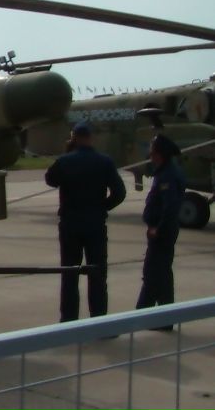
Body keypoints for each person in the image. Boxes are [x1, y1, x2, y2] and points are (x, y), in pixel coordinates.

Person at [45, 122, 126, 322]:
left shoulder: (65, 161)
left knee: (69, 274)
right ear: (90, 138)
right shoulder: (104, 161)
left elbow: (50, 179)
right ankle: (98, 320)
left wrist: (67, 153)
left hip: (70, 224)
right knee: (97, 274)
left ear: (74, 138)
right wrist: (102, 207)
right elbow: (119, 192)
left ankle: (69, 320)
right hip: (95, 224)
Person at [136, 134, 184, 324]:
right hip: (163, 231)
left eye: (152, 150)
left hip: (162, 233)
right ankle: (164, 319)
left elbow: (170, 207)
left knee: (152, 273)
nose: (150, 154)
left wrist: (159, 229)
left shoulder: (167, 176)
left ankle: (139, 317)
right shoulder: (166, 171)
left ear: (159, 154)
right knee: (162, 275)